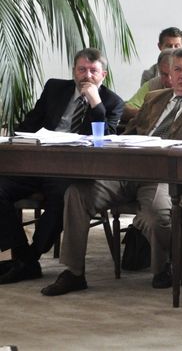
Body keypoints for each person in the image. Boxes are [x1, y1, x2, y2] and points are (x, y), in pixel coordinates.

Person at [41, 47, 182, 296]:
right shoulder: (154, 98)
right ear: (169, 74)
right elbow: (130, 132)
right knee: (77, 194)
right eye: (177, 69)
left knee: (155, 214)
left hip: (167, 175)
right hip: (128, 171)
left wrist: (166, 149)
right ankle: (74, 272)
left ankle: (162, 268)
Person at [0, 48, 124, 284]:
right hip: (37, 162)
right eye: (81, 69)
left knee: (64, 197)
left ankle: (29, 259)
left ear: (103, 75)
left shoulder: (112, 102)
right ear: (74, 71)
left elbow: (106, 141)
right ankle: (22, 255)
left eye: (93, 71)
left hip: (73, 169)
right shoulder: (55, 88)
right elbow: (30, 124)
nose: (87, 75)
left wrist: (96, 104)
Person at [123, 48, 182, 122]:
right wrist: (153, 116)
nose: (169, 79)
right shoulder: (152, 87)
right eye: (164, 74)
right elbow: (126, 109)